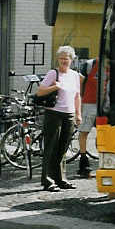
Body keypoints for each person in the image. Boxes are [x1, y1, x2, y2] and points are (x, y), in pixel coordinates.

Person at [36, 45, 82, 192]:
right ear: (57, 59)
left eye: (66, 59)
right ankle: (47, 180)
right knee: (51, 147)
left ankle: (61, 179)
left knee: (63, 148)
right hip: (53, 113)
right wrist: (55, 87)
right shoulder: (52, 73)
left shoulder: (75, 75)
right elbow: (40, 91)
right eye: (61, 58)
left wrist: (78, 114)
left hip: (69, 115)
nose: (63, 61)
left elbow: (77, 96)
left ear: (71, 60)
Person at [76, 58, 98, 177]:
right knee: (84, 132)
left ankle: (104, 161)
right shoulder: (90, 65)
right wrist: (78, 104)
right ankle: (84, 163)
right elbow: (79, 84)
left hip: (104, 105)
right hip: (88, 104)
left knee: (104, 134)